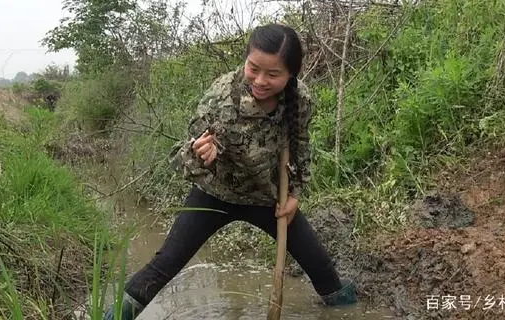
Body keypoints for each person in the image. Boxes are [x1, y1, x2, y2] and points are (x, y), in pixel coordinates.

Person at [104, 23, 357, 320]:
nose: (260, 81)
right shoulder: (221, 97)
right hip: (214, 196)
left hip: (267, 199)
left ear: (291, 74)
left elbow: (301, 147)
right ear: (246, 59)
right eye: (253, 68)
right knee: (165, 264)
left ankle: (349, 311)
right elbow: (181, 158)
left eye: (273, 74)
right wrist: (202, 154)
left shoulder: (300, 100)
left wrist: (295, 196)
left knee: (320, 266)